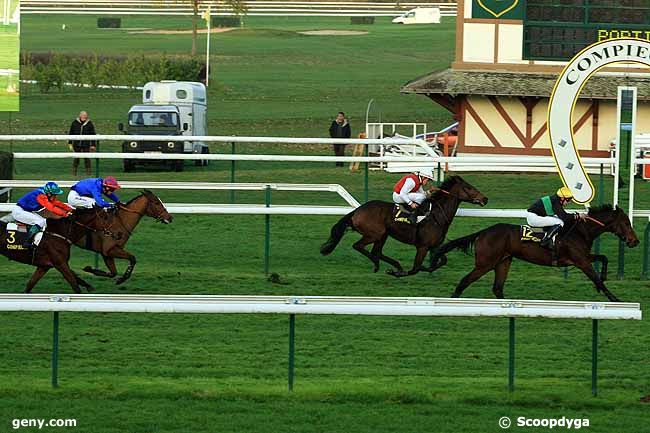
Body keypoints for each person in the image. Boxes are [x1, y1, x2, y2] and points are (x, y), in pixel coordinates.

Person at [12, 182, 73, 247]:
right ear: (49, 194)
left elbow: (57, 203)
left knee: (44, 221)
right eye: (54, 195)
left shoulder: (45, 194)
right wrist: (65, 215)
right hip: (19, 211)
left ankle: (35, 239)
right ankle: (27, 241)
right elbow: (51, 208)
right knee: (39, 221)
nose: (55, 196)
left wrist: (70, 209)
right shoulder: (41, 196)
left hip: (25, 210)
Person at [68, 111, 97, 177]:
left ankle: (88, 173)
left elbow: (93, 134)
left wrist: (93, 145)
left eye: (85, 115)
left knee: (87, 158)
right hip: (76, 144)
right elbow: (71, 133)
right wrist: (70, 143)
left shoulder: (89, 124)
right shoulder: (75, 123)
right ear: (80, 116)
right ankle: (74, 173)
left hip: (86, 144)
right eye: (83, 115)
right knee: (76, 158)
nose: (84, 117)